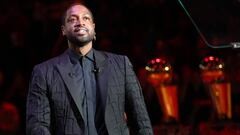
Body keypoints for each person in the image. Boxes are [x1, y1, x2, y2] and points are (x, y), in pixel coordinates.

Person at [26, 2, 153, 135]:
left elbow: (141, 122)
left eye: (85, 18)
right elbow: (38, 126)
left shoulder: (121, 65)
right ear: (63, 30)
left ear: (93, 28)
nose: (80, 22)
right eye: (72, 19)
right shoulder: (44, 72)